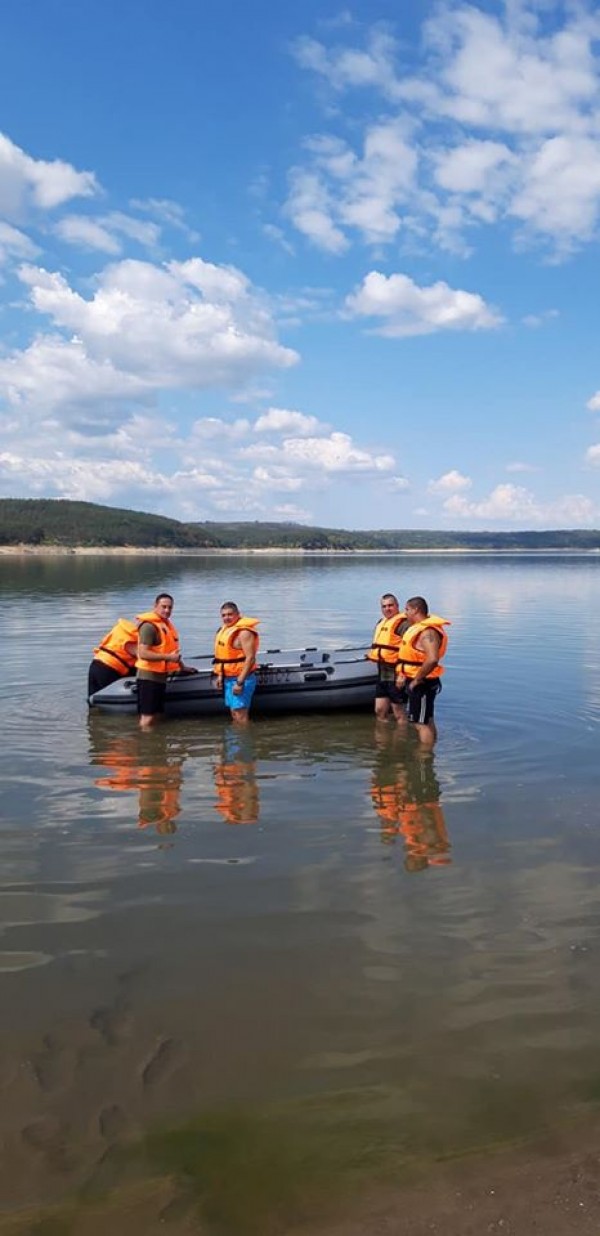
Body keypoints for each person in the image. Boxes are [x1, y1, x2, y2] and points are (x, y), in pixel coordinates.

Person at [395, 596, 450, 748]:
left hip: (422, 683)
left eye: (407, 609)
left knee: (421, 723)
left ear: (415, 610)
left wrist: (417, 680)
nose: (405, 613)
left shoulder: (428, 632)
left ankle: (424, 755)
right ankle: (430, 750)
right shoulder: (419, 629)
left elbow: (432, 659)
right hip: (418, 679)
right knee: (427, 719)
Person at [135, 593, 192, 729]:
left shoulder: (165, 625)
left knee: (157, 715)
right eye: (164, 607)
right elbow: (143, 653)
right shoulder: (149, 627)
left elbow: (172, 652)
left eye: (170, 607)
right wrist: (168, 658)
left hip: (160, 677)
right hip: (148, 677)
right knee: (148, 717)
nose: (167, 610)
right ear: (155, 606)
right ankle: (144, 739)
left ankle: (155, 741)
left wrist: (182, 667)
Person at [213, 602, 259, 725]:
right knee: (234, 713)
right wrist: (220, 675)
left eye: (230, 614)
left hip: (241, 678)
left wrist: (239, 682)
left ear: (238, 614)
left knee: (240, 715)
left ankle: (243, 736)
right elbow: (221, 657)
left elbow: (251, 658)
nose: (226, 618)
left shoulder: (244, 633)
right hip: (228, 678)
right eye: (223, 615)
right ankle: (236, 737)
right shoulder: (224, 630)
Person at [366, 593, 410, 722]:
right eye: (384, 606)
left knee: (398, 711)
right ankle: (382, 734)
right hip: (383, 670)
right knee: (379, 710)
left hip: (396, 670)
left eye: (390, 605)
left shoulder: (403, 624)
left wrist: (402, 674)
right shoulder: (381, 622)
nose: (387, 609)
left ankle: (402, 733)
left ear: (397, 606)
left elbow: (409, 651)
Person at [88, 616, 138, 699]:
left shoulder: (123, 630)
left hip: (96, 664)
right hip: (110, 670)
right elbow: (145, 660)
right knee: (109, 699)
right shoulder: (135, 638)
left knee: (94, 700)